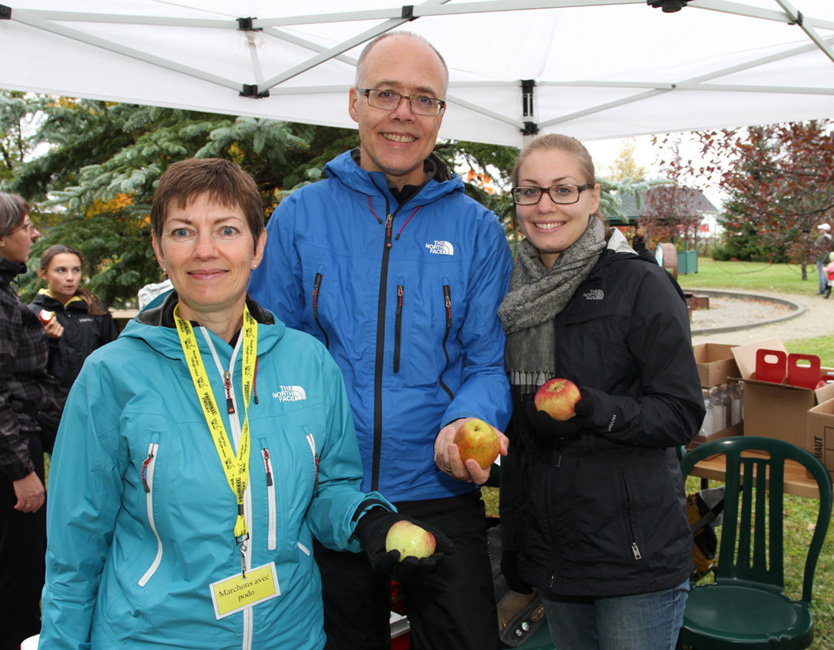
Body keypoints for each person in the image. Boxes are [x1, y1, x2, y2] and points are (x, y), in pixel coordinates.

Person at [39, 158, 451, 650]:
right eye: (182, 231)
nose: (205, 250)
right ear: (158, 249)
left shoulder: (309, 361)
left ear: (257, 247)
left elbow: (331, 488)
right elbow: (74, 545)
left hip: (289, 633)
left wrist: (371, 521)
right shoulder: (111, 375)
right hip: (152, 636)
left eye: (227, 230)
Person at [249, 31, 513, 650]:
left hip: (439, 490)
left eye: (424, 99)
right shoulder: (298, 217)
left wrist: (470, 419)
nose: (403, 113)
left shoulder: (476, 230)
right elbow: (267, 352)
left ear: (441, 116)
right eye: (386, 94)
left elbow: (487, 361)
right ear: (354, 102)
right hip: (326, 496)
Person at [497, 134, 706, 650]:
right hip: (554, 547)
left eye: (563, 189)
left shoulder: (641, 285)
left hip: (632, 554)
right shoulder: (512, 292)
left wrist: (591, 408)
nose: (545, 205)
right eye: (530, 191)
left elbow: (680, 414)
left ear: (593, 198)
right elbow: (521, 426)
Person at [0, 193, 63, 650]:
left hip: (20, 444)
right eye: (25, 225)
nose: (33, 233)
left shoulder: (7, 292)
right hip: (10, 463)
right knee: (17, 575)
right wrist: (22, 472)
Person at [29, 244, 119, 395]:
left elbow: (114, 358)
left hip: (92, 400)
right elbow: (26, 369)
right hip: (49, 408)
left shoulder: (95, 311)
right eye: (61, 270)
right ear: (43, 274)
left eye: (76, 270)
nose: (70, 278)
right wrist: (46, 341)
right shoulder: (31, 314)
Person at [814, 223, 832, 295]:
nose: (820, 230)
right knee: (823, 271)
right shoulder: (830, 237)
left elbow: (816, 246)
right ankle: (827, 285)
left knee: (821, 273)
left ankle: (822, 289)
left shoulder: (821, 237)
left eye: (821, 229)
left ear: (824, 230)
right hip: (827, 256)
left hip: (821, 256)